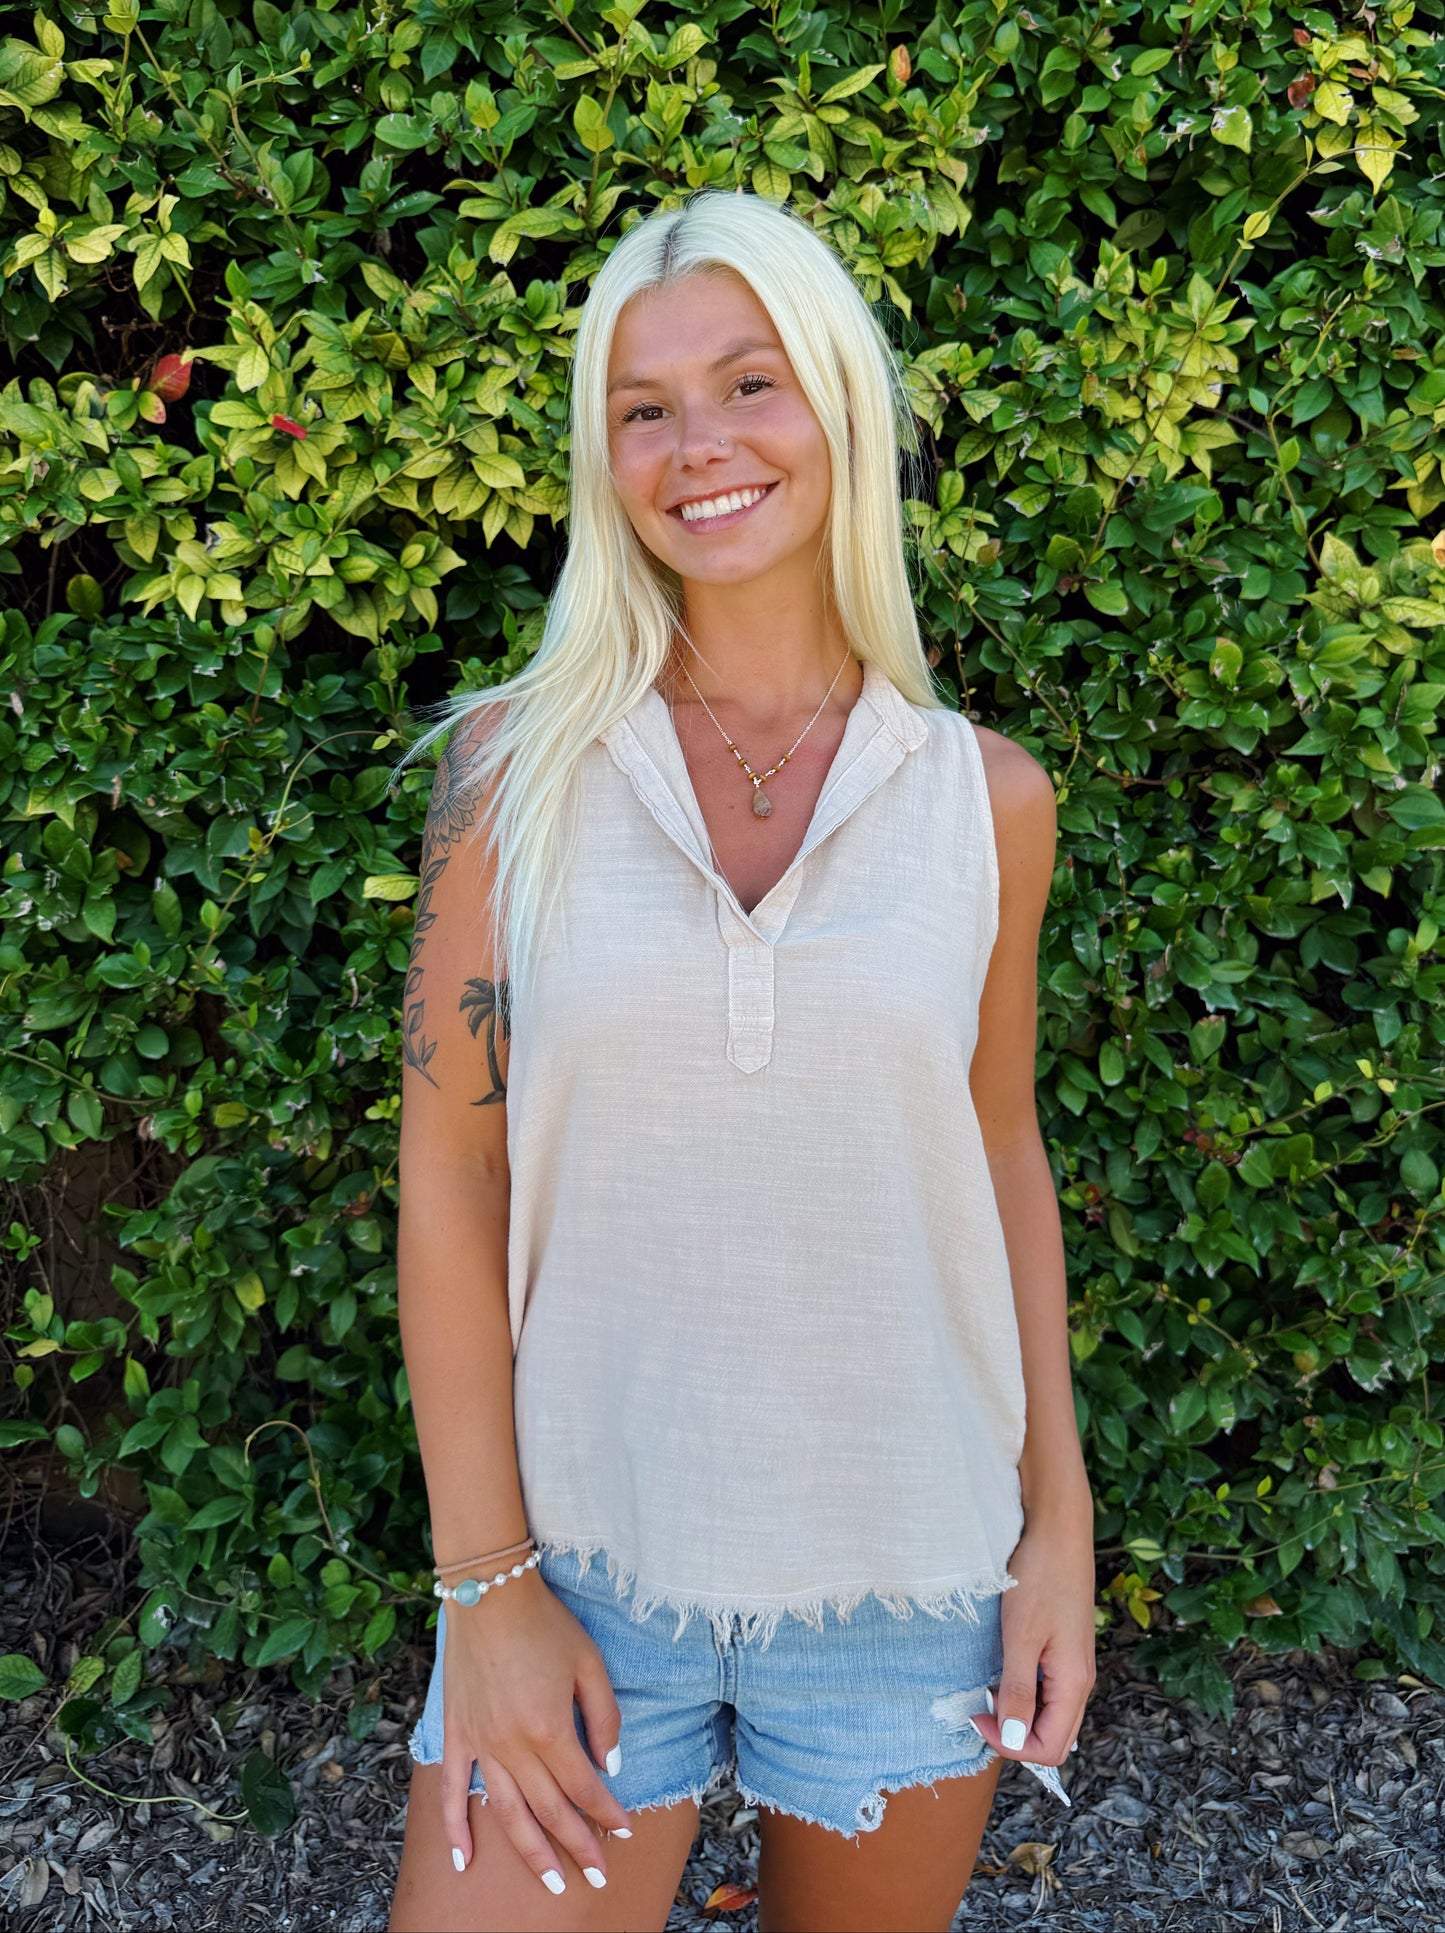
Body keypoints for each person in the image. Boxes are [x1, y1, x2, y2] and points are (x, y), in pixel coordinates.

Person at [386, 187, 1096, 1933]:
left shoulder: (986, 804)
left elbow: (996, 1151)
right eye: (642, 408)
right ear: (602, 456)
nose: (695, 444)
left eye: (747, 383)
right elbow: (449, 1171)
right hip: (581, 1563)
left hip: (907, 1578)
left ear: (839, 404)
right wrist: (486, 1588)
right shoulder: (509, 774)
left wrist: (1056, 1522)